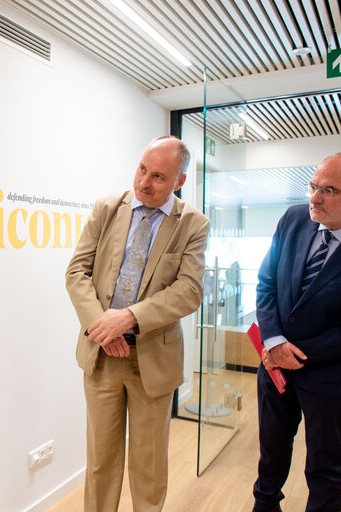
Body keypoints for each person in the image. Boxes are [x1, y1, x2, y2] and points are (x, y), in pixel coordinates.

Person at [65, 136, 209, 511]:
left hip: (152, 361)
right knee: (100, 461)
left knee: (148, 464)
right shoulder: (107, 208)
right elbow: (77, 272)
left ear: (179, 181)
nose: (144, 182)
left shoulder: (193, 224)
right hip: (102, 355)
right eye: (142, 169)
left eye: (158, 177)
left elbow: (189, 291)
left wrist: (128, 318)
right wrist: (102, 326)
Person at [253, 152, 341, 512]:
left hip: (330, 375)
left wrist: (292, 351)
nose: (314, 198)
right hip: (274, 367)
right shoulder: (293, 219)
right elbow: (266, 281)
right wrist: (273, 340)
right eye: (313, 186)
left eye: (329, 190)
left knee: (324, 465)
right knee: (270, 454)